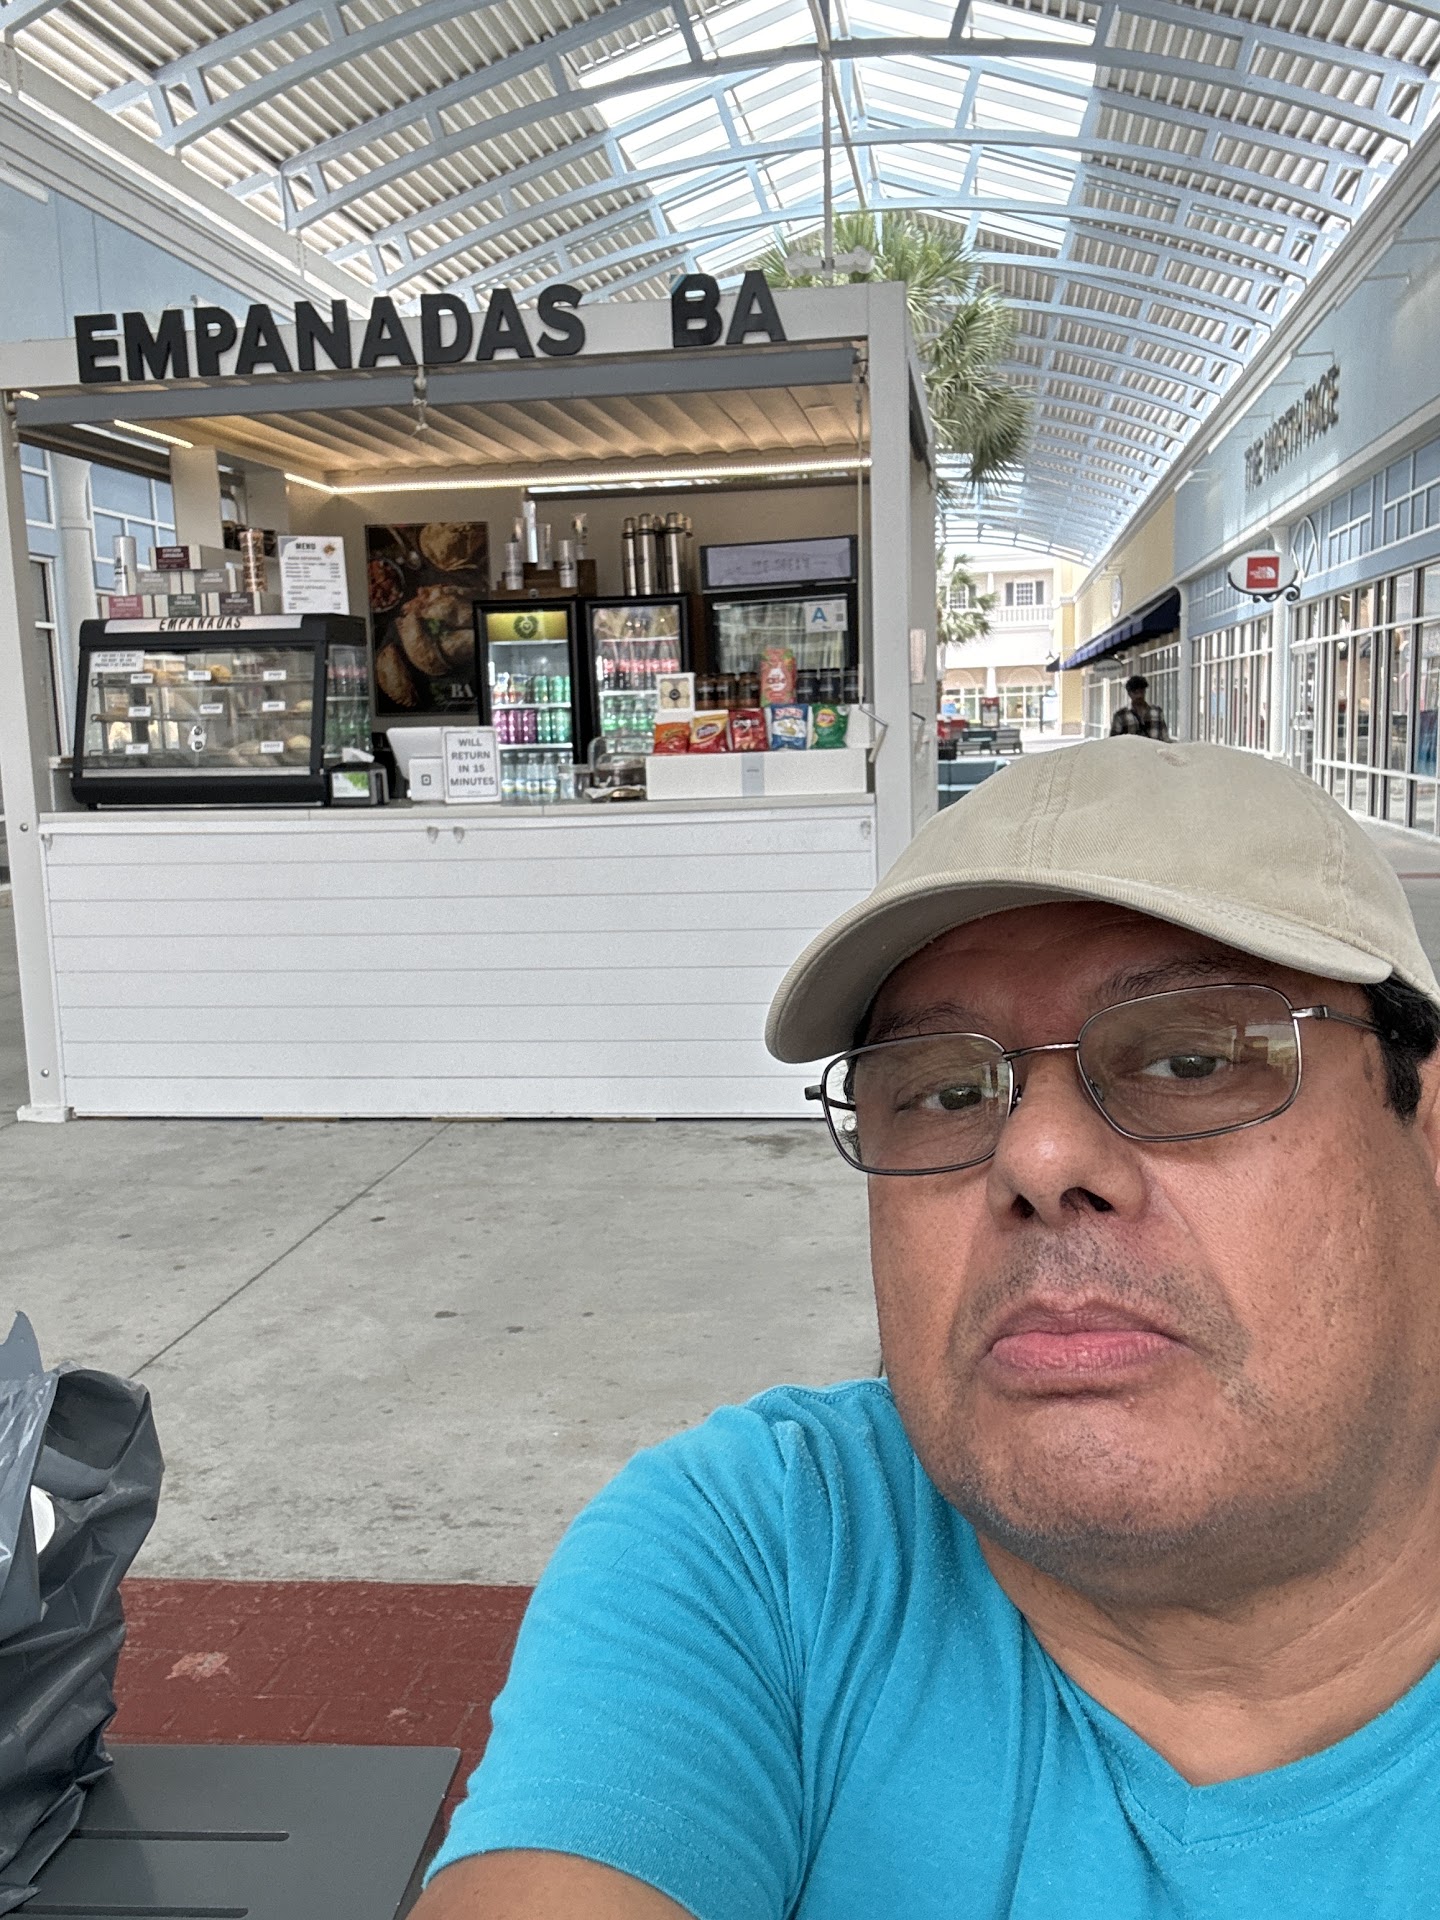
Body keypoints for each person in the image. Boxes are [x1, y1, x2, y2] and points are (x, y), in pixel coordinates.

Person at [416, 737, 1440, 1919]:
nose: (1036, 1157)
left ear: (1425, 1131)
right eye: (947, 1093)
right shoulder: (772, 1550)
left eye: (1190, 1059)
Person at [1110, 672, 1169, 739]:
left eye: (1141, 692)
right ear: (1129, 694)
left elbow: (1164, 736)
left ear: (1145, 691)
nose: (1139, 696)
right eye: (1135, 693)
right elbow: (1114, 741)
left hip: (1153, 746)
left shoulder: (1157, 712)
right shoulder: (1120, 716)